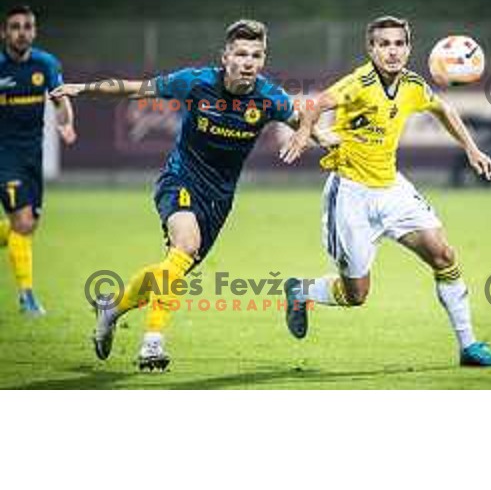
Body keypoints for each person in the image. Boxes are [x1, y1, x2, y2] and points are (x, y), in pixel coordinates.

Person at [52, 19, 333, 371]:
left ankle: (113, 308)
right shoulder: (196, 82)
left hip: (219, 199)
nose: (249, 62)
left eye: (256, 55)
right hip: (180, 180)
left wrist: (324, 139)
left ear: (263, 59)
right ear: (225, 57)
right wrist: (81, 89)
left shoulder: (268, 97)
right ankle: (152, 343)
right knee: (184, 246)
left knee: (173, 269)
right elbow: (133, 88)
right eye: (241, 54)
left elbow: (302, 119)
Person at [280, 16, 491, 367]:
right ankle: (301, 291)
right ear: (371, 49)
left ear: (409, 48)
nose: (392, 51)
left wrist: (472, 149)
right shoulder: (359, 83)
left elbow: (443, 108)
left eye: (398, 43)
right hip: (351, 194)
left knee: (443, 254)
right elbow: (315, 105)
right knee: (356, 295)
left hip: (392, 189)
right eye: (384, 44)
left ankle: (469, 346)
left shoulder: (414, 85)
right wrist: (303, 132)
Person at [0, 5, 77, 315]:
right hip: (4, 157)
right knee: (22, 222)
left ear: (34, 31)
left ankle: (26, 295)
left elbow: (60, 99)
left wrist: (66, 122)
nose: (22, 32)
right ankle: (27, 297)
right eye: (16, 26)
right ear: (4, 32)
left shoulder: (45, 63)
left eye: (28, 26)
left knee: (28, 226)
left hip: (33, 155)